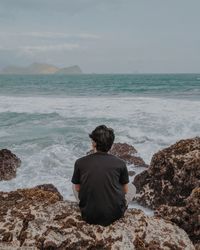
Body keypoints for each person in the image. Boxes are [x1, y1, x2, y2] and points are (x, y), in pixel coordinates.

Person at [71, 125, 136, 226]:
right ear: (111, 145)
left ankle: (90, 206)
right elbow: (126, 191)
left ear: (94, 144)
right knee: (132, 187)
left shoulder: (80, 162)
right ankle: (117, 208)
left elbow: (78, 188)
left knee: (74, 185)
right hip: (115, 216)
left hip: (88, 216)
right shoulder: (120, 163)